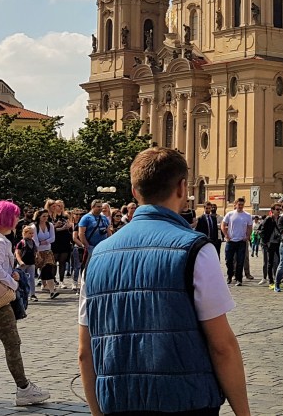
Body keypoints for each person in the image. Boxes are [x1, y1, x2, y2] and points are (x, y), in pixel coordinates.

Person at [78, 147, 250, 416]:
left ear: (134, 191)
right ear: (182, 187)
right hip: (185, 401)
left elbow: (85, 352)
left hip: (119, 401)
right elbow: (222, 347)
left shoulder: (97, 255)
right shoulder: (196, 249)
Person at [0, 201, 50, 406]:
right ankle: (24, 388)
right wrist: (13, 282)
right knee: (12, 344)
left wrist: (10, 275)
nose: (17, 220)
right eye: (15, 216)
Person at [221, 198, 252, 286]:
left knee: (240, 261)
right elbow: (223, 225)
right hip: (231, 241)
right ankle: (230, 276)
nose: (240, 206)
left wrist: (247, 236)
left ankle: (239, 279)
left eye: (242, 204)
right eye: (239, 204)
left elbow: (250, 227)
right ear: (235, 204)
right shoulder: (230, 214)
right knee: (228, 260)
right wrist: (226, 235)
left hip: (241, 241)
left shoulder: (247, 215)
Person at [32, 209, 60, 299]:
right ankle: (34, 291)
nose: (45, 218)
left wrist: (44, 242)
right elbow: (35, 241)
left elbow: (53, 238)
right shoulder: (34, 227)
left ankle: (52, 291)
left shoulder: (50, 225)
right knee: (34, 271)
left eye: (47, 216)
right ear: (39, 216)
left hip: (47, 251)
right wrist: (41, 244)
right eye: (43, 216)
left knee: (48, 269)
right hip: (37, 251)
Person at [77, 200, 111, 265]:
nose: (100, 208)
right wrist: (87, 246)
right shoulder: (86, 218)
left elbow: (108, 231)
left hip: (103, 247)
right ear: (92, 207)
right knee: (89, 265)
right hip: (91, 247)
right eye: (98, 206)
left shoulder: (104, 218)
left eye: (101, 206)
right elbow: (81, 234)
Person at [259, 204, 282, 286]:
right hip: (270, 243)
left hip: (278, 243)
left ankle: (278, 280)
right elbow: (261, 231)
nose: (279, 211)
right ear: (272, 210)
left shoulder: (280, 219)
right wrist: (266, 242)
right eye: (277, 209)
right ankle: (270, 281)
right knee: (270, 262)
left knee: (279, 261)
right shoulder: (268, 219)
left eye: (280, 209)